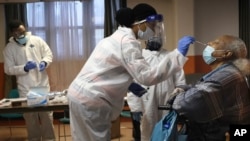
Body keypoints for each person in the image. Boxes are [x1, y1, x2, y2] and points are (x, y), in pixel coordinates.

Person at [67, 3, 195, 141]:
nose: (153, 31)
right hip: (92, 100)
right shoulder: (128, 43)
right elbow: (148, 76)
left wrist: (130, 85)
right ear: (141, 23)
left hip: (78, 95)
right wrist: (178, 54)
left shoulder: (115, 38)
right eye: (152, 25)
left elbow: (108, 69)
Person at [170, 35, 250, 141]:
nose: (208, 43)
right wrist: (187, 89)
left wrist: (177, 95)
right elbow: (202, 87)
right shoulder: (229, 72)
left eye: (216, 42)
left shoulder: (226, 75)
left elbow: (187, 104)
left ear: (226, 54)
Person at [3, 20, 55, 141]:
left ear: (25, 29)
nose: (21, 35)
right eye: (17, 33)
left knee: (46, 115)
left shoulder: (37, 40)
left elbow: (49, 54)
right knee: (30, 117)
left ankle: (50, 139)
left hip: (41, 84)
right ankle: (34, 139)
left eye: (22, 32)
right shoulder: (9, 49)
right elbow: (8, 69)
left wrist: (44, 62)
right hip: (26, 87)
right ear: (11, 33)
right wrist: (24, 68)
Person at [127, 37, 187, 141]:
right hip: (146, 103)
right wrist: (135, 107)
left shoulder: (171, 56)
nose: (155, 39)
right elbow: (132, 83)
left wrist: (177, 97)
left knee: (167, 131)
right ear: (145, 39)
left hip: (168, 102)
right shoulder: (139, 57)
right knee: (147, 131)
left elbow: (180, 82)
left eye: (158, 36)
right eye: (151, 36)